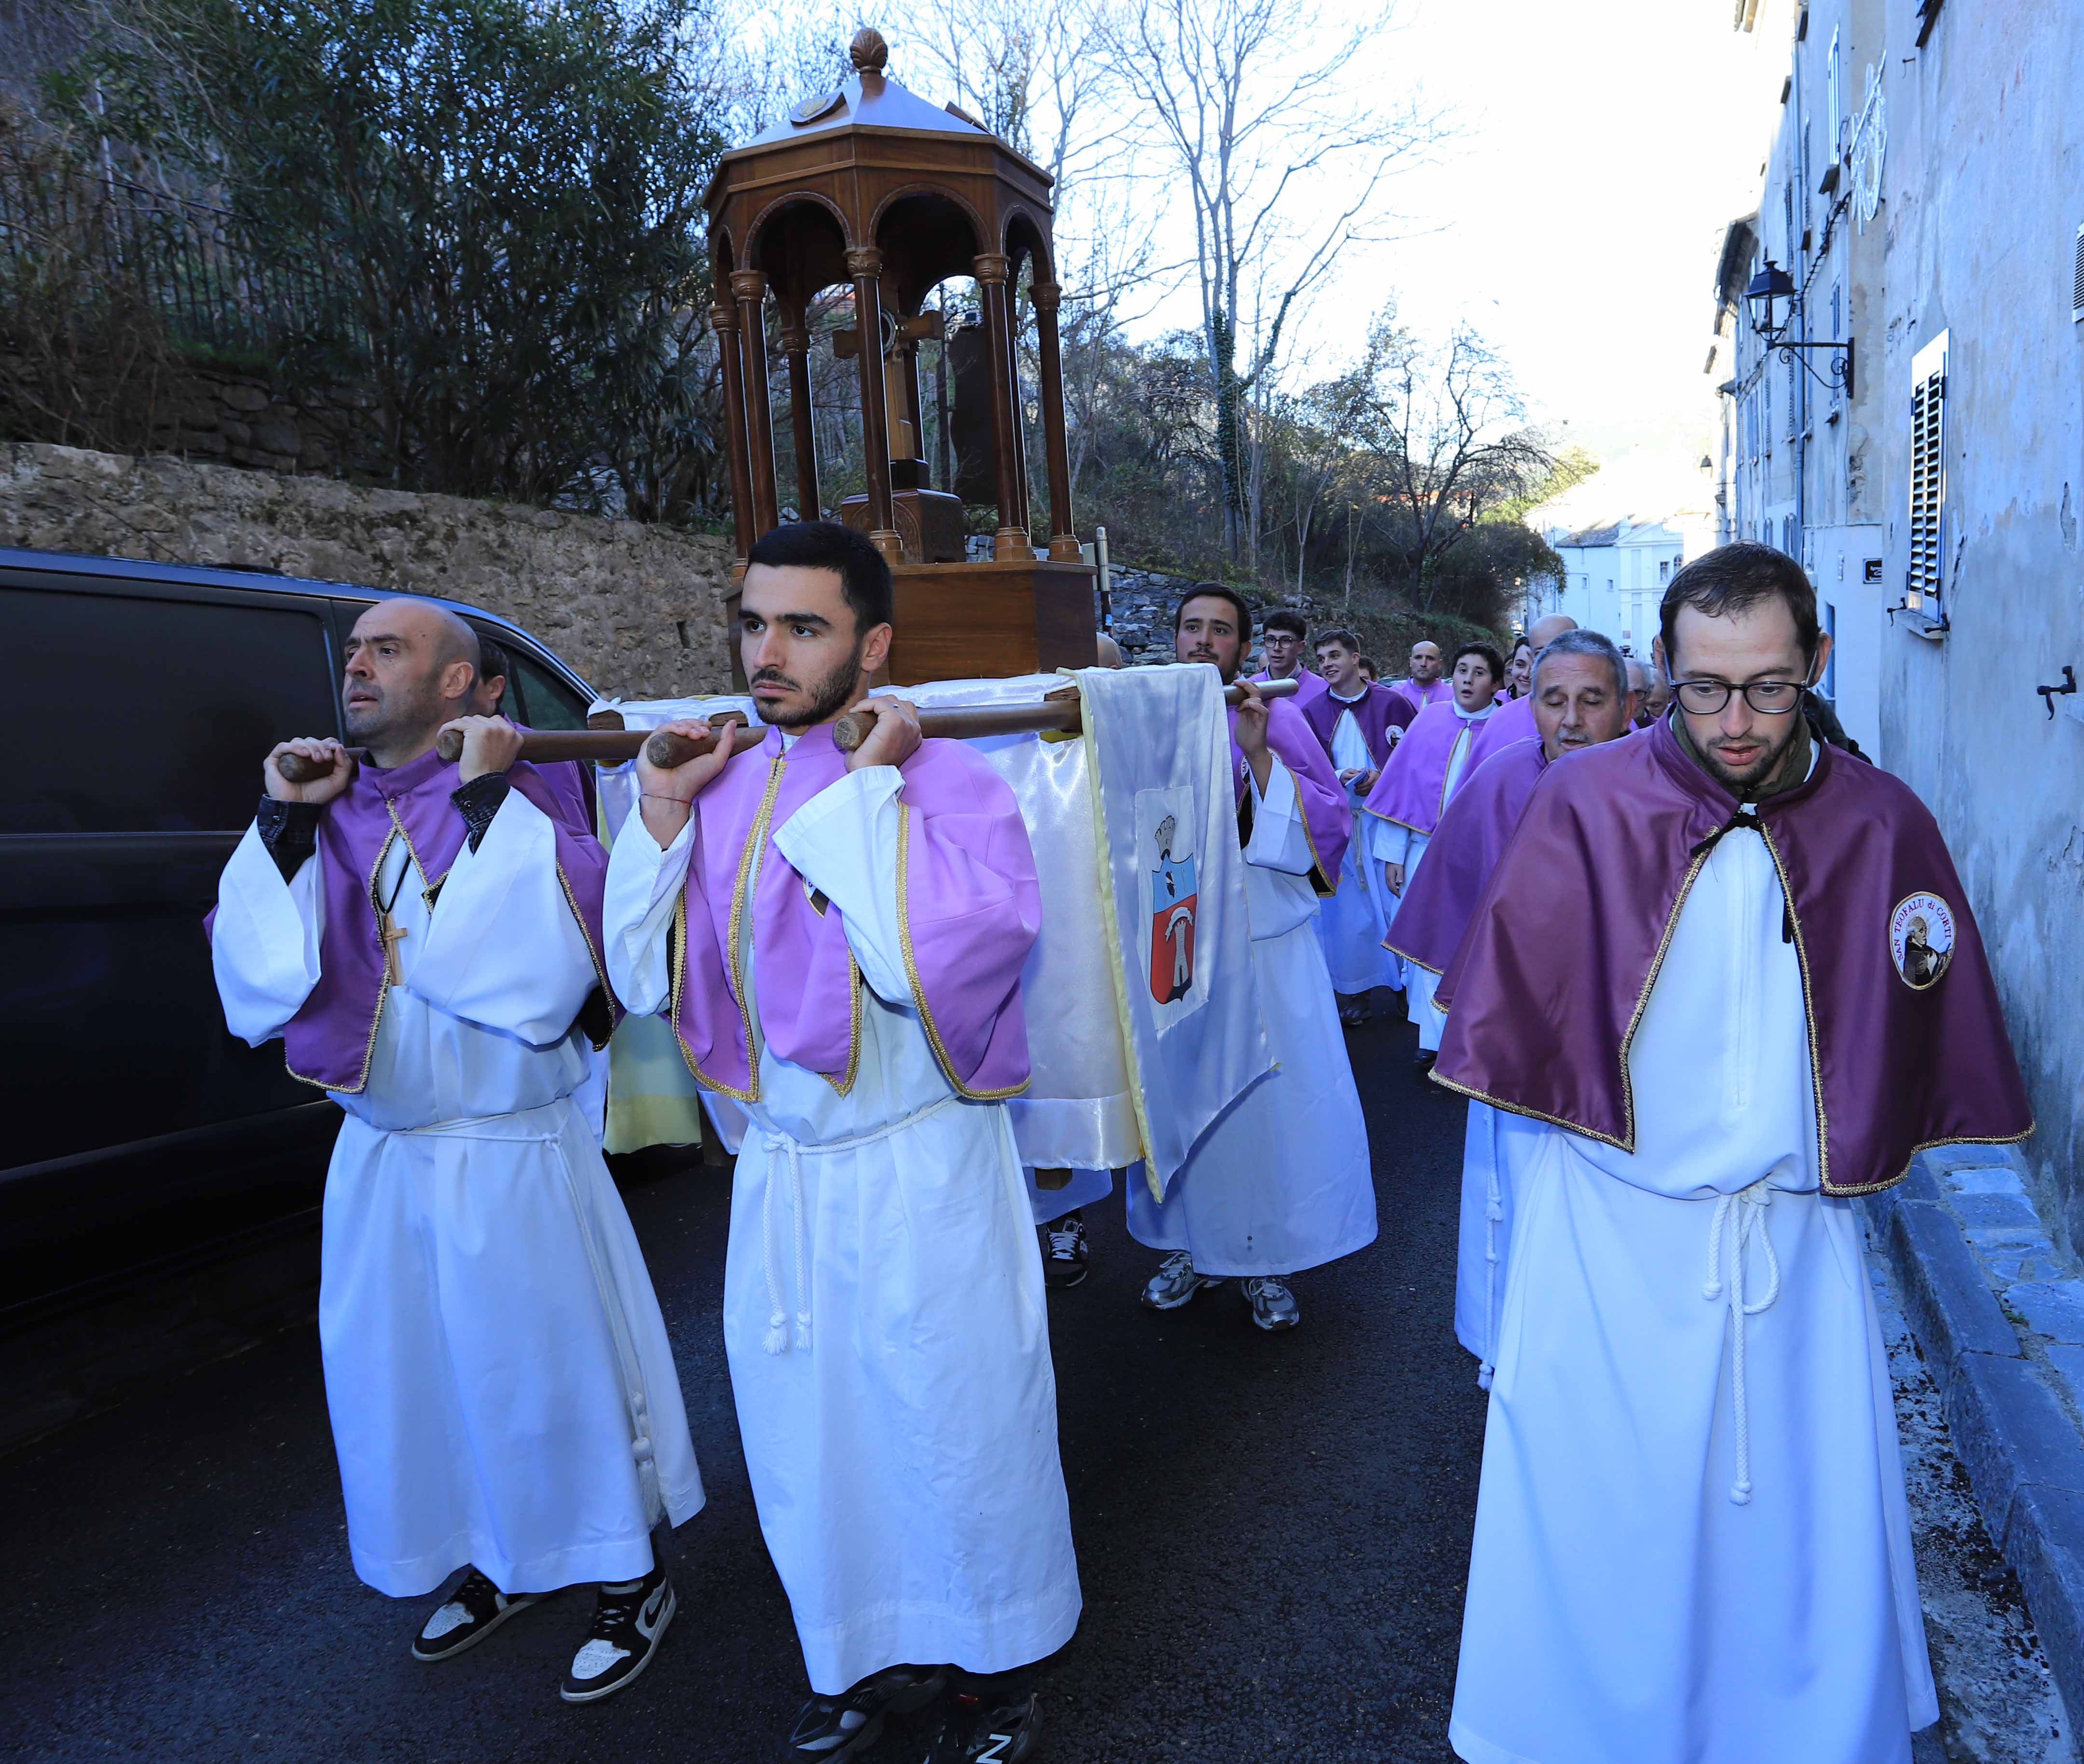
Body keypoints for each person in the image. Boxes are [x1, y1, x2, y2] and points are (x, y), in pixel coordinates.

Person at [1435, 543, 2032, 1764]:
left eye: (1769, 684)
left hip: (1787, 1246)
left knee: (1791, 1544)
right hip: (1608, 1240)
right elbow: (1519, 1022)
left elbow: (1913, 1019)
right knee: (1607, 1533)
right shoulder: (1584, 802)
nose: (1739, 719)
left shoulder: (1880, 821)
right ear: (1664, 669)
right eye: (1706, 687)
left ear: (1816, 663)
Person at [602, 521, 1079, 1764]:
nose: (767, 651)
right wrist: (658, 809)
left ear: (872, 643)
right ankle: (861, 1652)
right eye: (753, 622)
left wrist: (872, 783)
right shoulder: (719, 783)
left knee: (952, 1423)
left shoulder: (953, 785)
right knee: (814, 1434)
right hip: (787, 1174)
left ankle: (995, 1673)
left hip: (918, 1166)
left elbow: (920, 961)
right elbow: (638, 984)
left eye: (802, 627)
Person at [209, 598, 703, 1704]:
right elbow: (256, 980)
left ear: (455, 684)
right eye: (353, 654)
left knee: (549, 1378)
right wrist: (285, 825)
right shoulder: (328, 803)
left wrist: (479, 798)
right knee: (422, 1382)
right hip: (381, 1154)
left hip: (510, 1150)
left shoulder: (520, 792)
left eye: (387, 650)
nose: (358, 667)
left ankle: (628, 1571)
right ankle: (498, 1553)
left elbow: (543, 976)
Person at [1386, 631, 1637, 1388]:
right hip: (1517, 1048)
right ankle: (1516, 1349)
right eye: (1554, 700)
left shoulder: (1662, 786)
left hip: (1624, 1045)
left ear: (1625, 707)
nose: (1571, 719)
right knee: (1519, 1198)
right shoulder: (1499, 782)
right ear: (1529, 705)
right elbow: (1457, 911)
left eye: (1592, 701)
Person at [1127, 586, 1377, 1333]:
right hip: (1180, 958)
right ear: (1174, 638)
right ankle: (1185, 1248)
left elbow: (1325, 825)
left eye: (1221, 631)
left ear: (1244, 647)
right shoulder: (1140, 723)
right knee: (1186, 1117)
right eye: (1191, 627)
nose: (1204, 640)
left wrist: (1259, 751)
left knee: (1270, 1119)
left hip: (1269, 955)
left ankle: (1264, 1262)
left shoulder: (1284, 715)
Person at [1361, 642, 1507, 1066]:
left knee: (1474, 946)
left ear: (1496, 684)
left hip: (1483, 860)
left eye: (1479, 673)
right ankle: (1431, 1037)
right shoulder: (1427, 721)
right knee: (1425, 942)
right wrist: (1393, 855)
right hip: (1423, 854)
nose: (1467, 679)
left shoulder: (1506, 729)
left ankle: (1472, 1037)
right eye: (1462, 670)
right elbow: (1401, 792)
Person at [1302, 627, 1413, 1022]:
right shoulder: (1312, 712)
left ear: (1355, 657)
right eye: (1321, 659)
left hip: (1386, 823)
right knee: (1349, 913)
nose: (1328, 664)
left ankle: (1407, 988)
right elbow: (1305, 769)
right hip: (1342, 826)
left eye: (1334, 656)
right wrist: (1337, 774)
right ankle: (1357, 990)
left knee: (1395, 905)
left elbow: (1415, 761)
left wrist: (1382, 776)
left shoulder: (1394, 704)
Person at [1251, 605, 1330, 708]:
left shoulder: (1324, 690)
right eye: (1271, 640)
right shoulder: (1251, 687)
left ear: (1301, 647)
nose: (1277, 648)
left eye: (1285, 641)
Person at [1390, 639, 1451, 714]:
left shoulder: (1453, 696)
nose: (1423, 664)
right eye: (1418, 658)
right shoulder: (1394, 694)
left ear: (1440, 664)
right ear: (1411, 662)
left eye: (1430, 658)